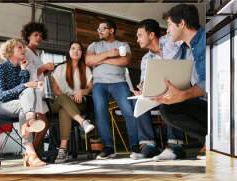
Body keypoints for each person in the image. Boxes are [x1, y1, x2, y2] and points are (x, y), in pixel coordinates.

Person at [151, 4, 207, 160]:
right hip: (203, 103)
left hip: (221, 107)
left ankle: (216, 140)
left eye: (169, 24)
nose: (167, 30)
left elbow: (209, 82)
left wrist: (184, 95)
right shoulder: (185, 49)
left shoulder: (205, 42)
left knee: (172, 106)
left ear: (181, 23)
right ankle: (210, 138)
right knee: (168, 108)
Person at [130, 19, 186, 160]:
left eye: (139, 35)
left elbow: (184, 35)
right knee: (137, 101)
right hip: (157, 93)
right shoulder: (145, 59)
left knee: (171, 97)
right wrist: (142, 88)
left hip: (179, 88)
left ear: (151, 35)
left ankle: (175, 146)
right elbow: (144, 80)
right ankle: (148, 146)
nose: (137, 40)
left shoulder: (170, 40)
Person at [86, 19, 140, 159]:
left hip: (119, 83)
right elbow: (89, 61)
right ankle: (108, 148)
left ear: (111, 30)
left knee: (129, 111)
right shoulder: (94, 45)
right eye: (98, 29)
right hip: (99, 84)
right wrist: (109, 54)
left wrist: (101, 60)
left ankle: (135, 147)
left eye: (103, 28)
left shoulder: (122, 45)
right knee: (100, 112)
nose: (99, 31)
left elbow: (124, 61)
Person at [0, 38, 46, 167]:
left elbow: (23, 94)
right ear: (10, 51)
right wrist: (25, 84)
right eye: (19, 47)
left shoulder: (22, 70)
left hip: (17, 106)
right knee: (27, 94)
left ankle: (29, 152)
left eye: (24, 48)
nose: (24, 50)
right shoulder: (0, 68)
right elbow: (2, 95)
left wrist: (23, 70)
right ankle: (31, 121)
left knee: (25, 108)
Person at [51, 42, 95, 163]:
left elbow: (90, 88)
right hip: (59, 101)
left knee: (64, 110)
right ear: (69, 52)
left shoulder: (86, 69)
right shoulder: (60, 68)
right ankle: (83, 122)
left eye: (79, 49)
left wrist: (82, 91)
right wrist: (67, 97)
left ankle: (63, 148)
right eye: (73, 48)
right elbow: (55, 91)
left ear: (82, 53)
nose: (76, 51)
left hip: (78, 103)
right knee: (63, 99)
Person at [21, 22, 55, 153]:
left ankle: (32, 153)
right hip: (31, 92)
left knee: (43, 125)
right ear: (28, 36)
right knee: (39, 124)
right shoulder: (26, 52)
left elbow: (38, 72)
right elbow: (28, 73)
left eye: (41, 35)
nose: (39, 38)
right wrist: (45, 67)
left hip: (38, 92)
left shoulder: (37, 54)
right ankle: (31, 153)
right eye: (35, 35)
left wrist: (47, 70)